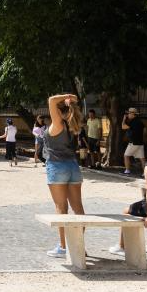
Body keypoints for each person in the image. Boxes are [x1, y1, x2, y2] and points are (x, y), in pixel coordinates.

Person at [43, 93, 85, 259]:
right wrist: (70, 100)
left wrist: (67, 96)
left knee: (61, 208)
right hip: (73, 166)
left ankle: (63, 247)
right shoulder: (72, 126)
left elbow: (51, 100)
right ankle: (79, 245)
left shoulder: (58, 124)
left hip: (57, 166)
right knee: (78, 208)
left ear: (58, 111)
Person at [121, 107, 145, 175]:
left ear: (132, 114)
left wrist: (124, 119)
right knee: (142, 158)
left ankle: (127, 170)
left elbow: (123, 127)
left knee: (126, 156)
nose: (128, 115)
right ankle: (145, 173)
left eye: (129, 113)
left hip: (133, 142)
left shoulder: (133, 121)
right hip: (140, 142)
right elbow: (145, 130)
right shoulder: (140, 121)